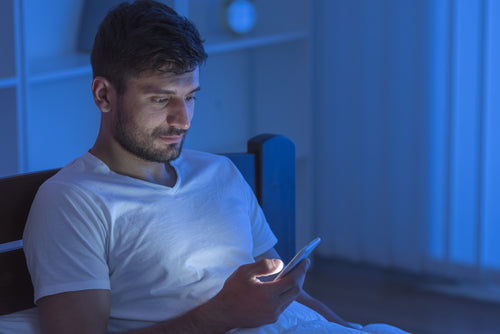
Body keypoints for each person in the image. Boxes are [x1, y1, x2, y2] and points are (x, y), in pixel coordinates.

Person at [23, 1, 409, 333]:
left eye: (190, 97)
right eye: (161, 100)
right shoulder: (73, 202)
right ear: (104, 95)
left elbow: (285, 296)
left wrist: (345, 327)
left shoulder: (219, 173)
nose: (183, 119)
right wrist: (221, 314)